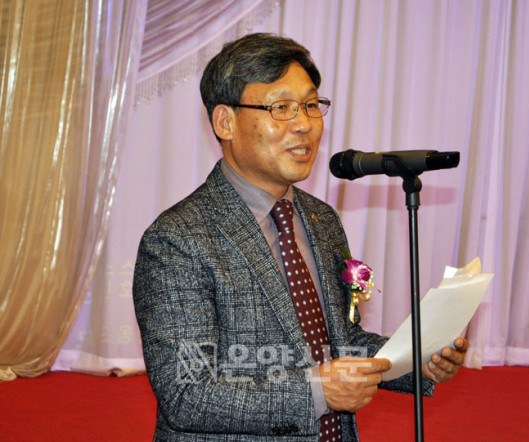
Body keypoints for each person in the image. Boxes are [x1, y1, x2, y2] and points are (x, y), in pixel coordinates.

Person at [133, 33, 468, 441]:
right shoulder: (177, 240)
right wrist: (317, 392)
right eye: (281, 108)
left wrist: (417, 361)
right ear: (225, 122)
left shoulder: (320, 219)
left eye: (311, 105)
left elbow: (339, 341)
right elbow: (188, 393)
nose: (305, 124)